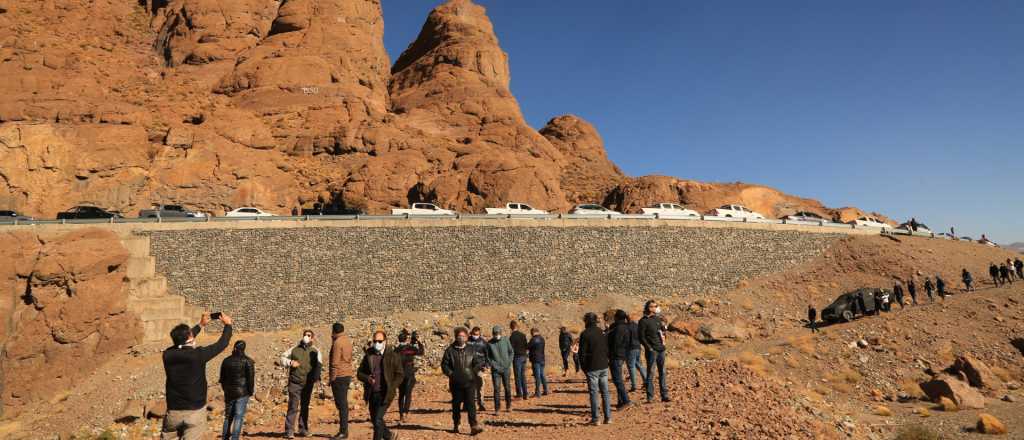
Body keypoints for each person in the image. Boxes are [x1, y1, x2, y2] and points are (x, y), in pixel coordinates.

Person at [162, 313, 233, 440]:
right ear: (190, 338)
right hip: (195, 411)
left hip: (173, 413)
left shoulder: (167, 355)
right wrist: (228, 325)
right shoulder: (198, 355)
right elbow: (222, 344)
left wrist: (200, 325)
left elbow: (179, 343)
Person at [356, 330, 404, 440]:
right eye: (375, 341)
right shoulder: (369, 354)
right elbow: (359, 373)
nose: (377, 343)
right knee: (375, 420)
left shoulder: (393, 355)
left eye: (380, 341)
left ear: (385, 341)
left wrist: (392, 386)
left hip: (386, 393)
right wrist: (367, 378)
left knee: (377, 419)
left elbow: (400, 374)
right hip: (372, 393)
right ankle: (389, 435)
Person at [441, 327, 486, 435]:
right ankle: (456, 424)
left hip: (470, 382)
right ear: (456, 337)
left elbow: (478, 362)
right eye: (459, 336)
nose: (461, 338)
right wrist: (451, 374)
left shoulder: (471, 349)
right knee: (456, 405)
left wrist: (473, 372)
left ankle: (473, 425)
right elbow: (444, 365)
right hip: (456, 383)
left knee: (471, 404)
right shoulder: (450, 350)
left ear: (466, 337)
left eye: (463, 336)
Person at [280, 329, 323, 439]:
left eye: (308, 335)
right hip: (295, 382)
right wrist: (290, 362)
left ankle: (303, 429)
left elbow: (319, 366)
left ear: (312, 338)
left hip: (308, 383)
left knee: (305, 406)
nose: (306, 337)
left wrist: (316, 379)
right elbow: (282, 358)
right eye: (305, 335)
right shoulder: (294, 349)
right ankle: (289, 430)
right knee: (293, 406)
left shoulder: (316, 351)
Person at [578, 312, 611, 425]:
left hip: (592, 367)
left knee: (594, 393)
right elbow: (607, 349)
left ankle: (596, 419)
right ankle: (608, 417)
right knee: (605, 392)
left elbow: (581, 354)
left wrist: (584, 368)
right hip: (603, 366)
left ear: (586, 321)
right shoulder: (601, 332)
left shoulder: (585, 334)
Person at [219, 339, 254, 440]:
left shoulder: (226, 360)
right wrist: (250, 392)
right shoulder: (248, 361)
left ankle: (225, 438)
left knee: (228, 416)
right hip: (242, 393)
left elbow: (222, 378)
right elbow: (250, 379)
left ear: (234, 347)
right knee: (238, 417)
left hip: (229, 392)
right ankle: (235, 438)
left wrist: (225, 389)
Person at [638, 300, 671, 403]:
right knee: (651, 373)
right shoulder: (643, 321)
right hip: (652, 351)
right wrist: (649, 348)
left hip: (661, 349)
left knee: (662, 372)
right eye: (653, 306)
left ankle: (664, 395)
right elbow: (641, 337)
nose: (655, 308)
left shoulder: (657, 318)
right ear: (648, 308)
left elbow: (662, 330)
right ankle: (650, 397)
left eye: (656, 306)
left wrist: (665, 326)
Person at [329, 323, 354, 439]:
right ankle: (344, 430)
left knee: (341, 404)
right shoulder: (347, 341)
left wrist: (332, 378)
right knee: (343, 403)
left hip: (339, 376)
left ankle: (343, 431)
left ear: (334, 331)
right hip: (347, 374)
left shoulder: (337, 343)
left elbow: (335, 363)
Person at [395, 329, 424, 423]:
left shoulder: (396, 350)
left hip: (399, 375)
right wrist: (418, 341)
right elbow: (421, 352)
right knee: (408, 394)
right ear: (406, 339)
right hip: (409, 374)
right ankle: (405, 413)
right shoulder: (410, 348)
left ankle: (401, 414)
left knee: (401, 395)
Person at [606, 310, 632, 407]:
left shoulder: (617, 328)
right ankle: (620, 402)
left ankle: (625, 400)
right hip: (622, 355)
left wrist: (609, 354)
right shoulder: (626, 327)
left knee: (617, 380)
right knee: (618, 379)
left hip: (615, 356)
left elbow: (615, 343)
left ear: (616, 317)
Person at [485, 325, 514, 413]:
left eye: (498, 333)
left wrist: (508, 362)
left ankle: (508, 406)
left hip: (506, 369)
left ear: (500, 333)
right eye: (495, 333)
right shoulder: (489, 343)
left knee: (507, 388)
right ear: (493, 334)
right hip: (496, 370)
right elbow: (488, 357)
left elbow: (511, 352)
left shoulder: (506, 340)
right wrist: (493, 365)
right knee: (497, 389)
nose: (497, 335)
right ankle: (497, 408)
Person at [467, 327, 488, 411]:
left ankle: (481, 404)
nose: (475, 336)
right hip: (469, 367)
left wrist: (486, 365)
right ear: (471, 333)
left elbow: (487, 355)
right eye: (474, 334)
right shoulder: (467, 341)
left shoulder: (483, 342)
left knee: (481, 387)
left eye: (477, 334)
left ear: (479, 334)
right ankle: (468, 405)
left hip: (480, 367)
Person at [509, 321, 529, 400]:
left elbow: (511, 349)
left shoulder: (512, 337)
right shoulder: (523, 335)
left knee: (517, 376)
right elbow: (526, 346)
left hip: (517, 357)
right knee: (523, 376)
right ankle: (525, 394)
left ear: (511, 327)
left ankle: (519, 394)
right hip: (524, 357)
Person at [626, 314, 645, 392]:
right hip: (638, 347)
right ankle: (646, 381)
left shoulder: (627, 327)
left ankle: (634, 385)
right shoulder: (637, 326)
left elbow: (627, 339)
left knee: (631, 366)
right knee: (639, 365)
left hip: (631, 348)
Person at [527, 327, 549, 397]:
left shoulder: (533, 339)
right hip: (542, 359)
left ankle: (538, 392)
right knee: (542, 375)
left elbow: (527, 347)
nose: (531, 334)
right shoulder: (542, 339)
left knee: (537, 376)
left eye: (531, 333)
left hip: (535, 360)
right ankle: (546, 390)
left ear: (533, 332)